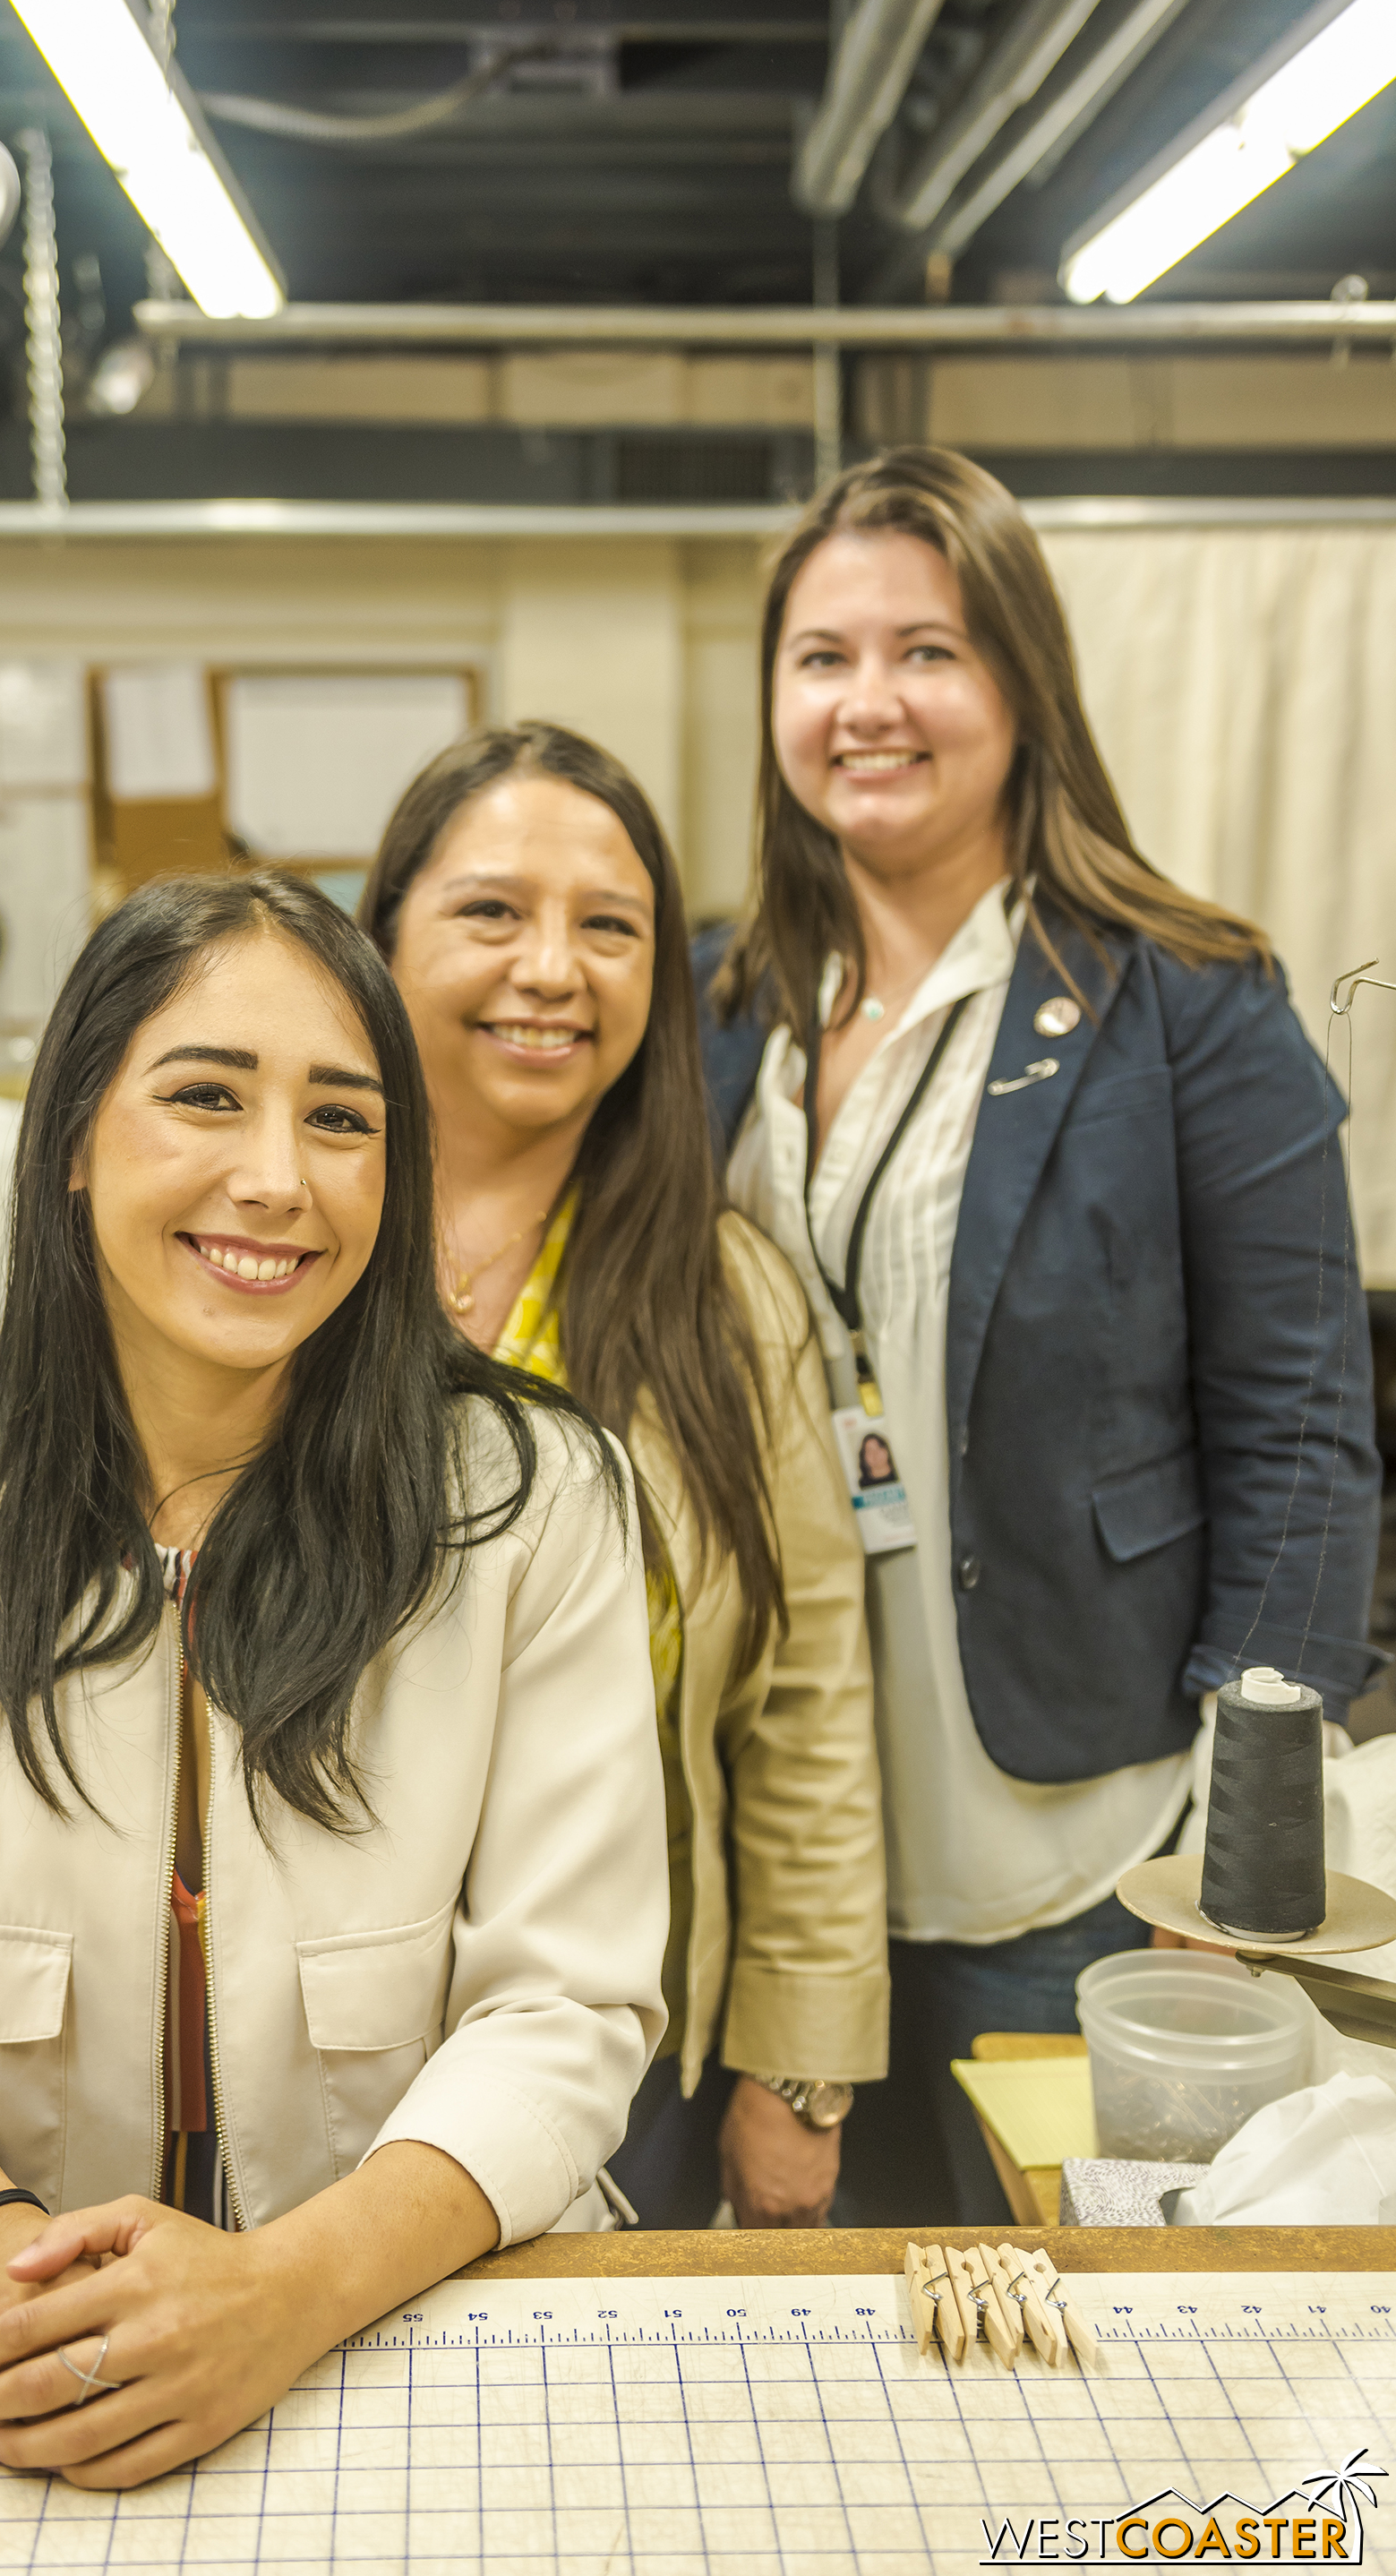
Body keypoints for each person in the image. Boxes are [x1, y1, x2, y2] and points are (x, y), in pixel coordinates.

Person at [0, 869, 667, 2490]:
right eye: (202, 1098)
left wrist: (284, 2292)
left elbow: (565, 2004)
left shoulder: (531, 1503)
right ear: (68, 1142)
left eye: (341, 1119)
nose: (276, 1181)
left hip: (419, 2324)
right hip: (14, 2343)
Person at [697, 446, 1383, 2225]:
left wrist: (1246, 1888)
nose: (871, 702)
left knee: (1081, 2345)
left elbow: (1305, 1431)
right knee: (829, 2387)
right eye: (822, 656)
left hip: (1091, 1855)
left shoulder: (1184, 999)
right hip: (784, 1866)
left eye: (927, 650)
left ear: (1022, 681)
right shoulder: (720, 1018)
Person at [359, 719, 887, 2230]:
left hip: (621, 2043)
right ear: (382, 939)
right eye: (490, 912)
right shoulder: (278, 1255)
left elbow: (806, 1713)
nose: (552, 969)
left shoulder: (729, 1299)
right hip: (304, 2046)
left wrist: (797, 2082)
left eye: (610, 927)